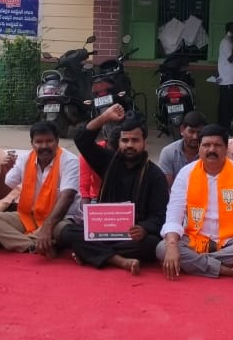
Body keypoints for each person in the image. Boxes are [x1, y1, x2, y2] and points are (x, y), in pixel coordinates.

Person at [58, 104, 169, 275]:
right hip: (103, 231)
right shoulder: (108, 162)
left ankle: (90, 253)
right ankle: (119, 261)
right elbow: (82, 139)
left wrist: (144, 228)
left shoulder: (155, 175)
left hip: (132, 236)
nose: (129, 145)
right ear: (119, 142)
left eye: (135, 140)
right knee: (68, 232)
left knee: (151, 244)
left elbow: (160, 215)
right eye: (125, 140)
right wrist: (105, 117)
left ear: (144, 143)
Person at [162, 124, 233, 279]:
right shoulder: (186, 173)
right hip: (194, 239)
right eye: (206, 145)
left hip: (231, 240)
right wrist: (172, 247)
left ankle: (196, 263)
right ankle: (227, 270)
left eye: (217, 145)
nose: (211, 150)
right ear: (199, 148)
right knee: (163, 249)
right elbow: (173, 215)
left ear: (226, 148)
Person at [0, 121, 79, 257]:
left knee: (65, 232)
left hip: (59, 219)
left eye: (49, 141)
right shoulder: (25, 159)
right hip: (29, 217)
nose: (44, 146)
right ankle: (33, 245)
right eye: (39, 142)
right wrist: (1, 174)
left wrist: (47, 228)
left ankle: (13, 240)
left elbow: (67, 197)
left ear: (57, 141)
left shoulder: (69, 161)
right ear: (32, 143)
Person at [158, 110, 206, 186]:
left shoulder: (210, 153)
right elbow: (168, 187)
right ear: (182, 130)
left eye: (199, 132)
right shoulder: (168, 153)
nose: (195, 137)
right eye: (191, 132)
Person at [216, 22, 233, 131]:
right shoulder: (226, 42)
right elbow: (230, 59)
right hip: (228, 80)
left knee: (231, 106)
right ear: (231, 31)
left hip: (232, 80)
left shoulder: (231, 41)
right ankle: (225, 128)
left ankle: (229, 128)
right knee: (227, 107)